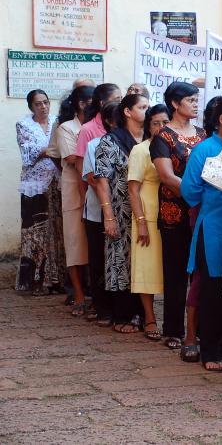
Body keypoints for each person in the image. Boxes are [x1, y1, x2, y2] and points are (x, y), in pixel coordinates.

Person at [181, 96, 222, 371]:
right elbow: (189, 190)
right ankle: (211, 350)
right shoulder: (205, 150)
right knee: (213, 287)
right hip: (215, 226)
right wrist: (214, 197)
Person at [150, 82, 205, 357]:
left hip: (201, 212)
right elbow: (167, 177)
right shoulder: (163, 137)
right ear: (175, 103)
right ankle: (173, 329)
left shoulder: (203, 134)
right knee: (175, 273)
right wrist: (195, 193)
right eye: (191, 100)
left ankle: (199, 328)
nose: (196, 104)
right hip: (175, 212)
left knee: (200, 272)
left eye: (197, 100)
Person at [94, 94, 149, 333]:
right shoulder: (111, 141)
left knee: (142, 259)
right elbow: (102, 181)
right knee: (119, 260)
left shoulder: (150, 139)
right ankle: (122, 315)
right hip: (120, 209)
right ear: (127, 111)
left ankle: (143, 314)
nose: (147, 111)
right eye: (142, 107)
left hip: (146, 209)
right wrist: (108, 216)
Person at [78, 85, 123, 326]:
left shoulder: (132, 143)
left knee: (120, 260)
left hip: (124, 212)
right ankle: (102, 307)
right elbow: (93, 179)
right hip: (98, 212)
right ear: (108, 121)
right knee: (99, 260)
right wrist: (113, 203)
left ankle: (120, 308)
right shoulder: (95, 145)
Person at [128, 104, 170, 341]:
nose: (162, 127)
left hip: (171, 213)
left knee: (167, 268)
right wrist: (141, 222)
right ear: (148, 126)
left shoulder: (172, 148)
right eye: (156, 123)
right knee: (146, 266)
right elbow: (133, 190)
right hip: (147, 213)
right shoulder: (141, 150)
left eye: (165, 123)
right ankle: (150, 317)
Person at [15, 89, 62, 294]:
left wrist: (48, 150)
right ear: (31, 107)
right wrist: (51, 150)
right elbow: (29, 154)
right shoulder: (24, 125)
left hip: (56, 182)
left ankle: (55, 279)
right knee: (35, 234)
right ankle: (34, 281)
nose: (43, 107)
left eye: (45, 102)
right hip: (34, 186)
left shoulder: (56, 122)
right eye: (38, 104)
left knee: (56, 232)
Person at [54, 85, 94, 315]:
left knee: (92, 245)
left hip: (95, 187)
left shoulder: (98, 126)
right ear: (81, 104)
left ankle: (93, 293)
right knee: (74, 242)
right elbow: (71, 157)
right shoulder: (66, 128)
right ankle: (78, 294)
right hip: (74, 189)